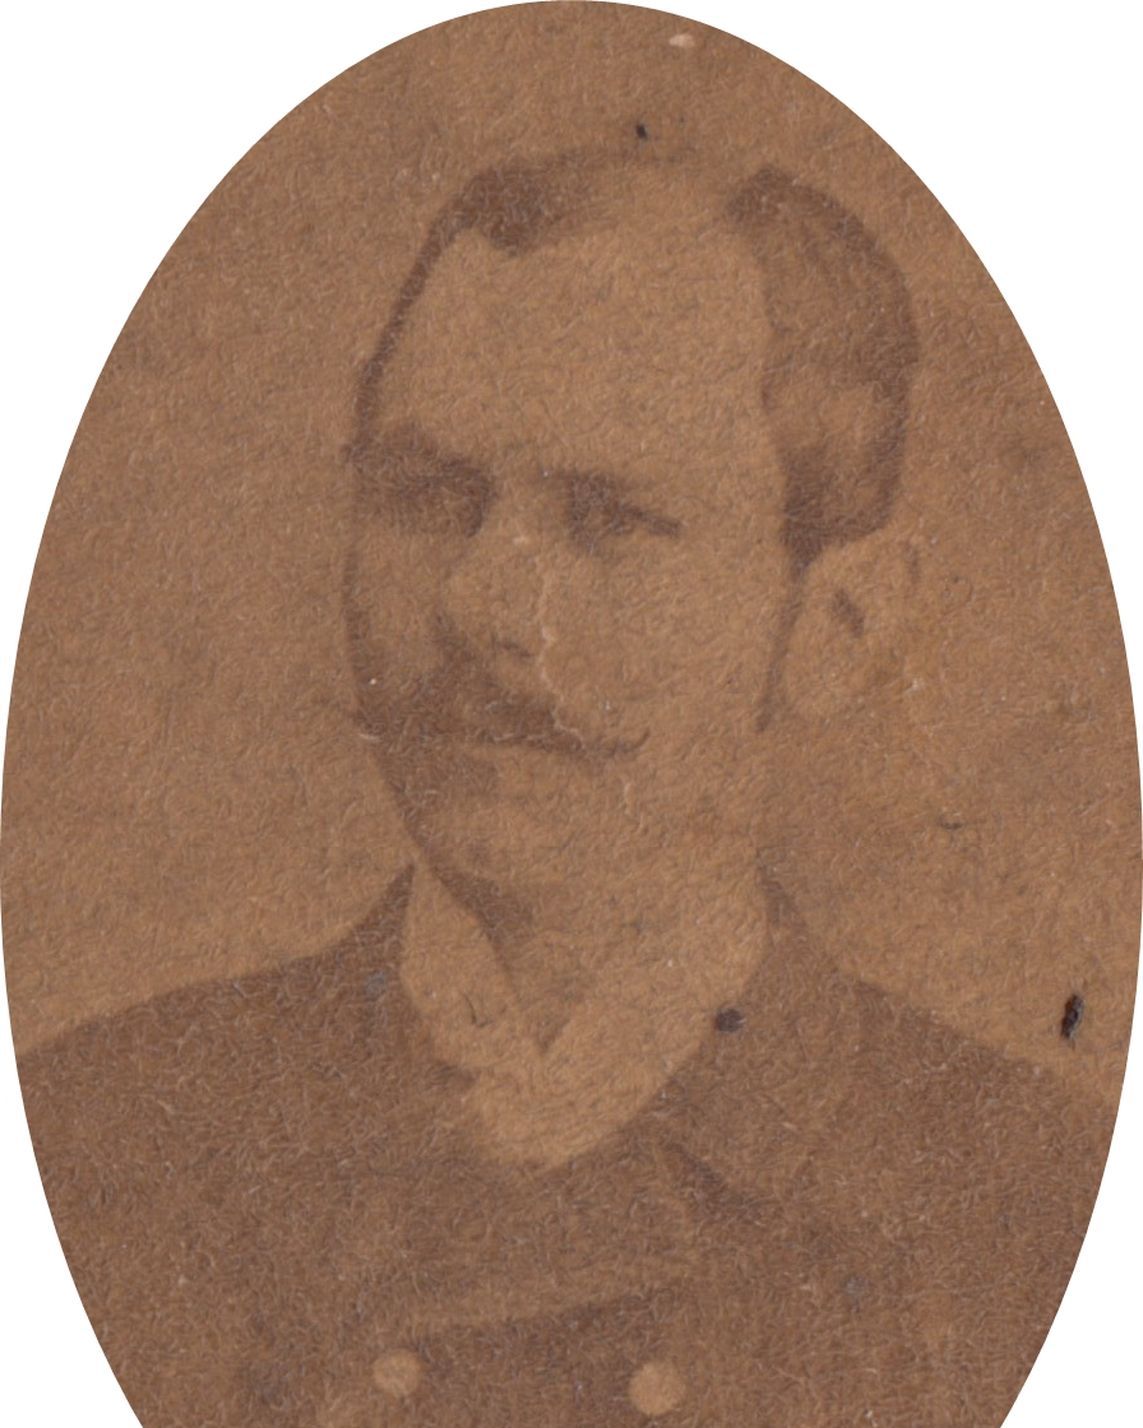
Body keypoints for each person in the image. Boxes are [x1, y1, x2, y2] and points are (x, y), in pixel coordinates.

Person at [18, 147, 1112, 1427]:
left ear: (839, 627)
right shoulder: (85, 1153)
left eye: (610, 520)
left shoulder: (1045, 1224)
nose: (481, 604)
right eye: (427, 497)